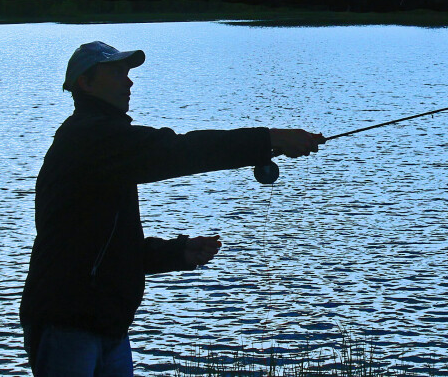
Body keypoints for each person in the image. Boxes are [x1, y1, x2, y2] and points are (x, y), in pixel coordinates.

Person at [20, 41, 324, 376]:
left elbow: (104, 250)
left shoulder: (105, 143)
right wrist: (268, 140)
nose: (129, 81)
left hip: (106, 325)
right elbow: (178, 151)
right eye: (117, 73)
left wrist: (177, 253)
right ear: (85, 83)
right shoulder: (89, 138)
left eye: (128, 73)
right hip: (67, 325)